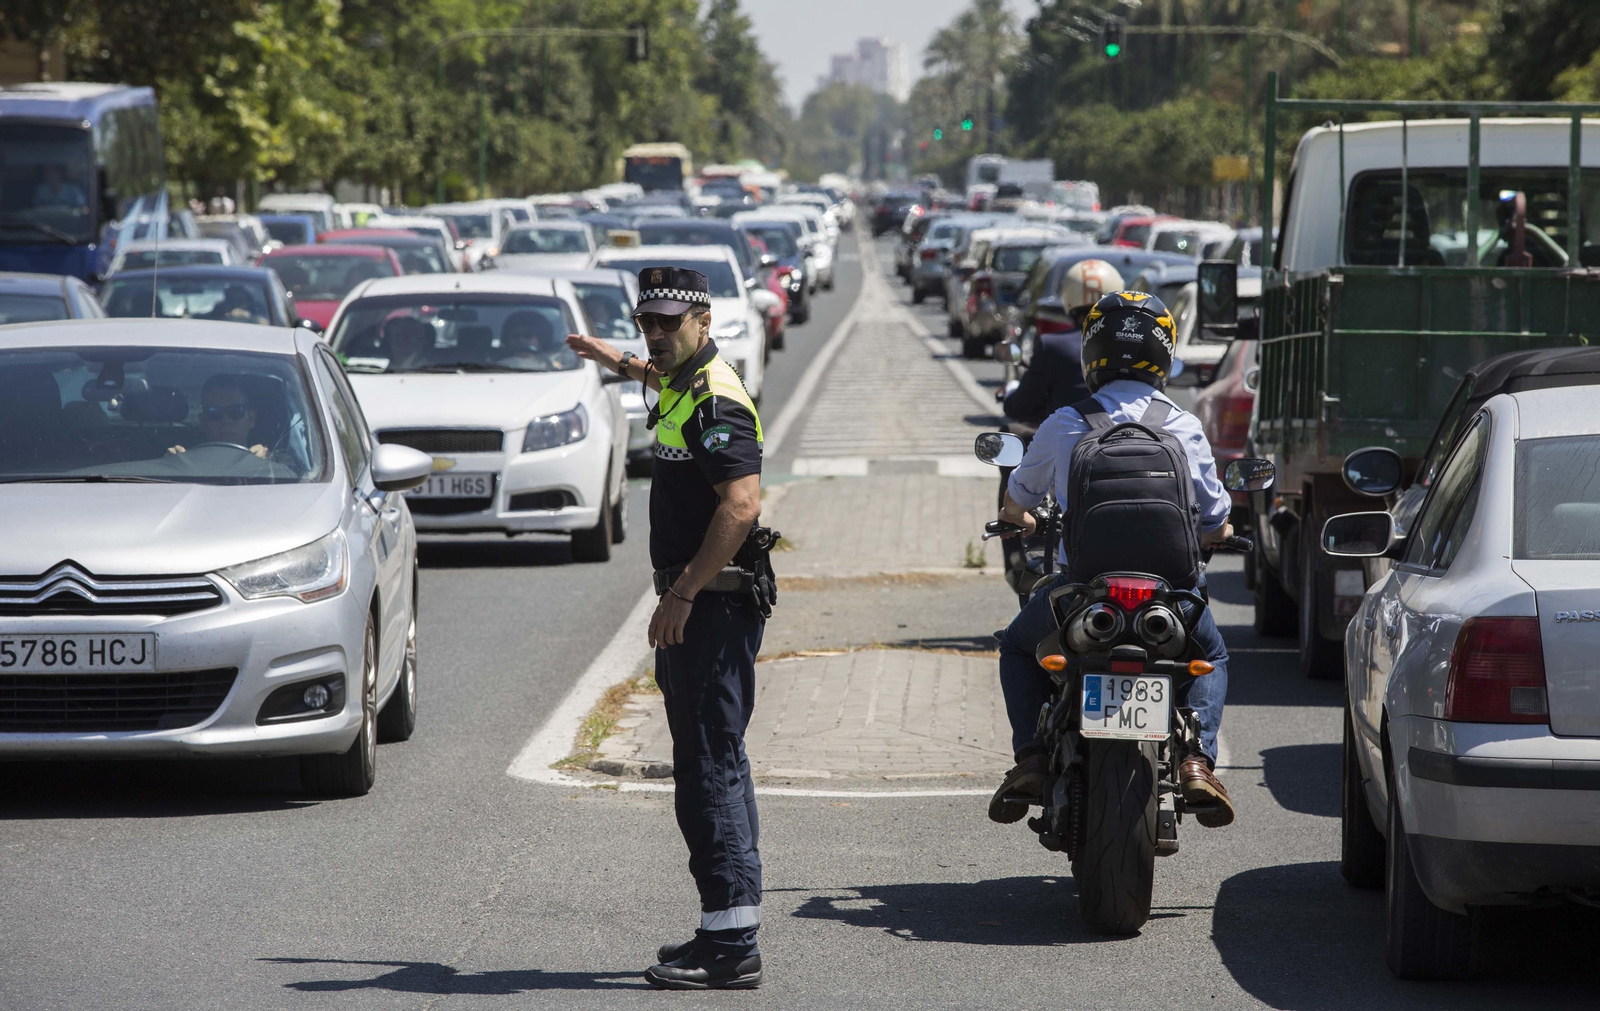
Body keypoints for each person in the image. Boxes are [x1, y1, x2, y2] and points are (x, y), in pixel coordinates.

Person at [566, 267, 767, 991]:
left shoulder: (714, 397)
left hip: (711, 605)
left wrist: (681, 593)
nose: (656, 333)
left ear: (704, 321)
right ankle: (726, 924)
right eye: (646, 320)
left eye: (669, 322)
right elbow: (659, 371)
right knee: (717, 761)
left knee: (708, 769)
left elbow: (740, 506)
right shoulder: (682, 378)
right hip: (707, 603)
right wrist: (612, 360)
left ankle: (733, 942)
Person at [988, 290, 1238, 829]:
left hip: (1081, 590)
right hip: (1172, 593)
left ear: (1091, 352)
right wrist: (1220, 532)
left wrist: (1021, 520)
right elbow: (1216, 518)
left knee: (1015, 647)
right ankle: (1197, 761)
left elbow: (1019, 502)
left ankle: (1031, 757)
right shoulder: (1184, 425)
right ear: (1165, 354)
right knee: (1212, 655)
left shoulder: (1063, 422)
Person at [1001, 259, 1123, 426]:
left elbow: (1020, 407)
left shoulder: (1053, 346)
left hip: (1068, 443)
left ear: (1069, 296)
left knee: (1011, 431)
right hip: (1131, 441)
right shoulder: (1134, 345)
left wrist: (1010, 389)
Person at [168, 375, 267, 457]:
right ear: (202, 422)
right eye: (214, 412)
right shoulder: (181, 459)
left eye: (236, 411)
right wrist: (170, 465)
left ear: (251, 418)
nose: (226, 421)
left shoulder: (275, 467)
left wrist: (269, 464)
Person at [497, 310, 574, 370]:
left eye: (528, 336)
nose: (521, 340)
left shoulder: (555, 367)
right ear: (506, 339)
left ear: (541, 339)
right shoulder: (493, 366)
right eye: (515, 336)